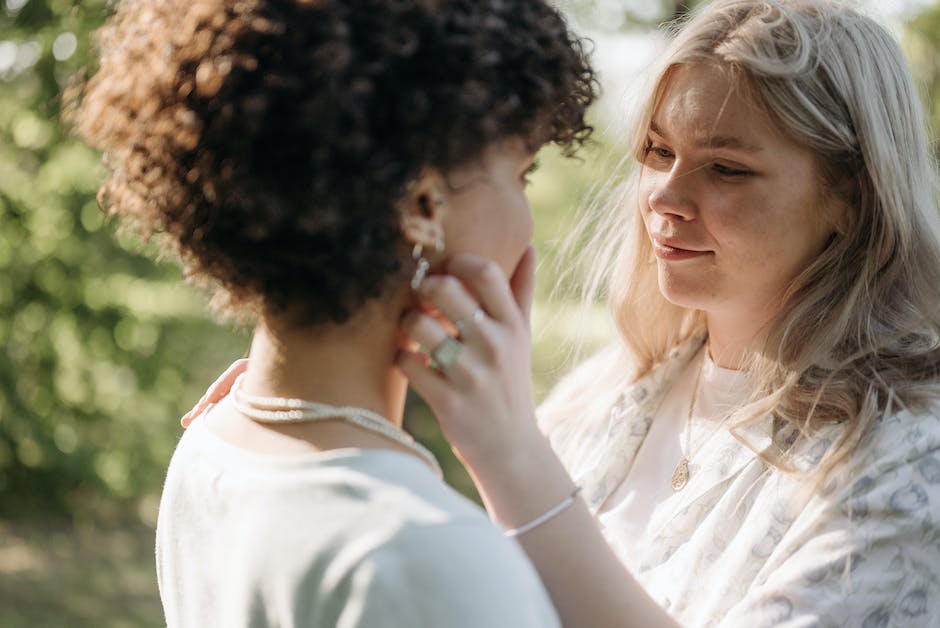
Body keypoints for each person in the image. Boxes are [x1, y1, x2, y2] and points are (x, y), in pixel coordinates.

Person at [188, 0, 940, 625]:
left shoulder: (910, 464)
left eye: (726, 168)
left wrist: (512, 456)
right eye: (655, 152)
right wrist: (302, 417)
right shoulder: (607, 393)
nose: (665, 199)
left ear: (852, 195)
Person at [68, 0, 596, 626]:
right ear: (422, 206)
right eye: (524, 174)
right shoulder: (431, 553)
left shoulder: (208, 446)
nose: (527, 225)